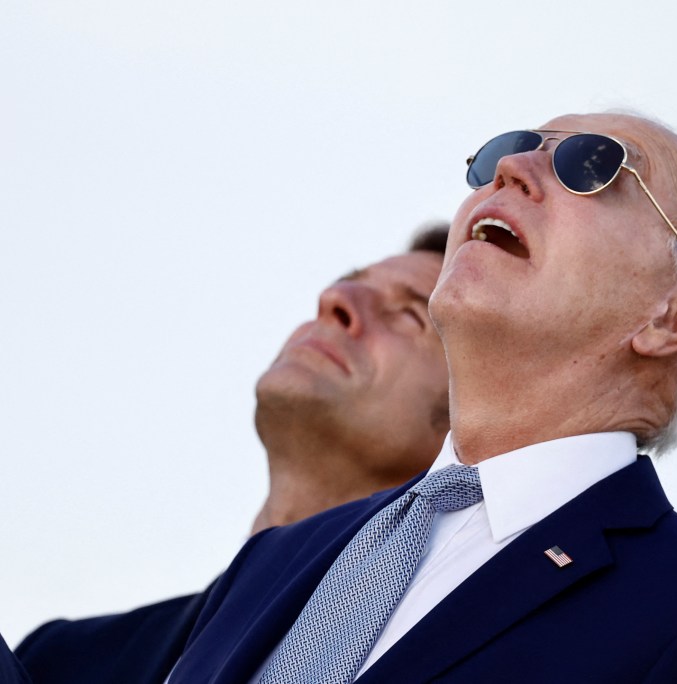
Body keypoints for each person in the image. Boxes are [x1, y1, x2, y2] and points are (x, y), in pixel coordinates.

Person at [169, 113, 677, 682]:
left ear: (673, 317)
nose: (510, 167)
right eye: (507, 148)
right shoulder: (276, 560)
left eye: (589, 164)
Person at [14, 224, 452, 684]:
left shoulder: (468, 654)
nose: (334, 300)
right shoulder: (60, 661)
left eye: (408, 314)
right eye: (350, 283)